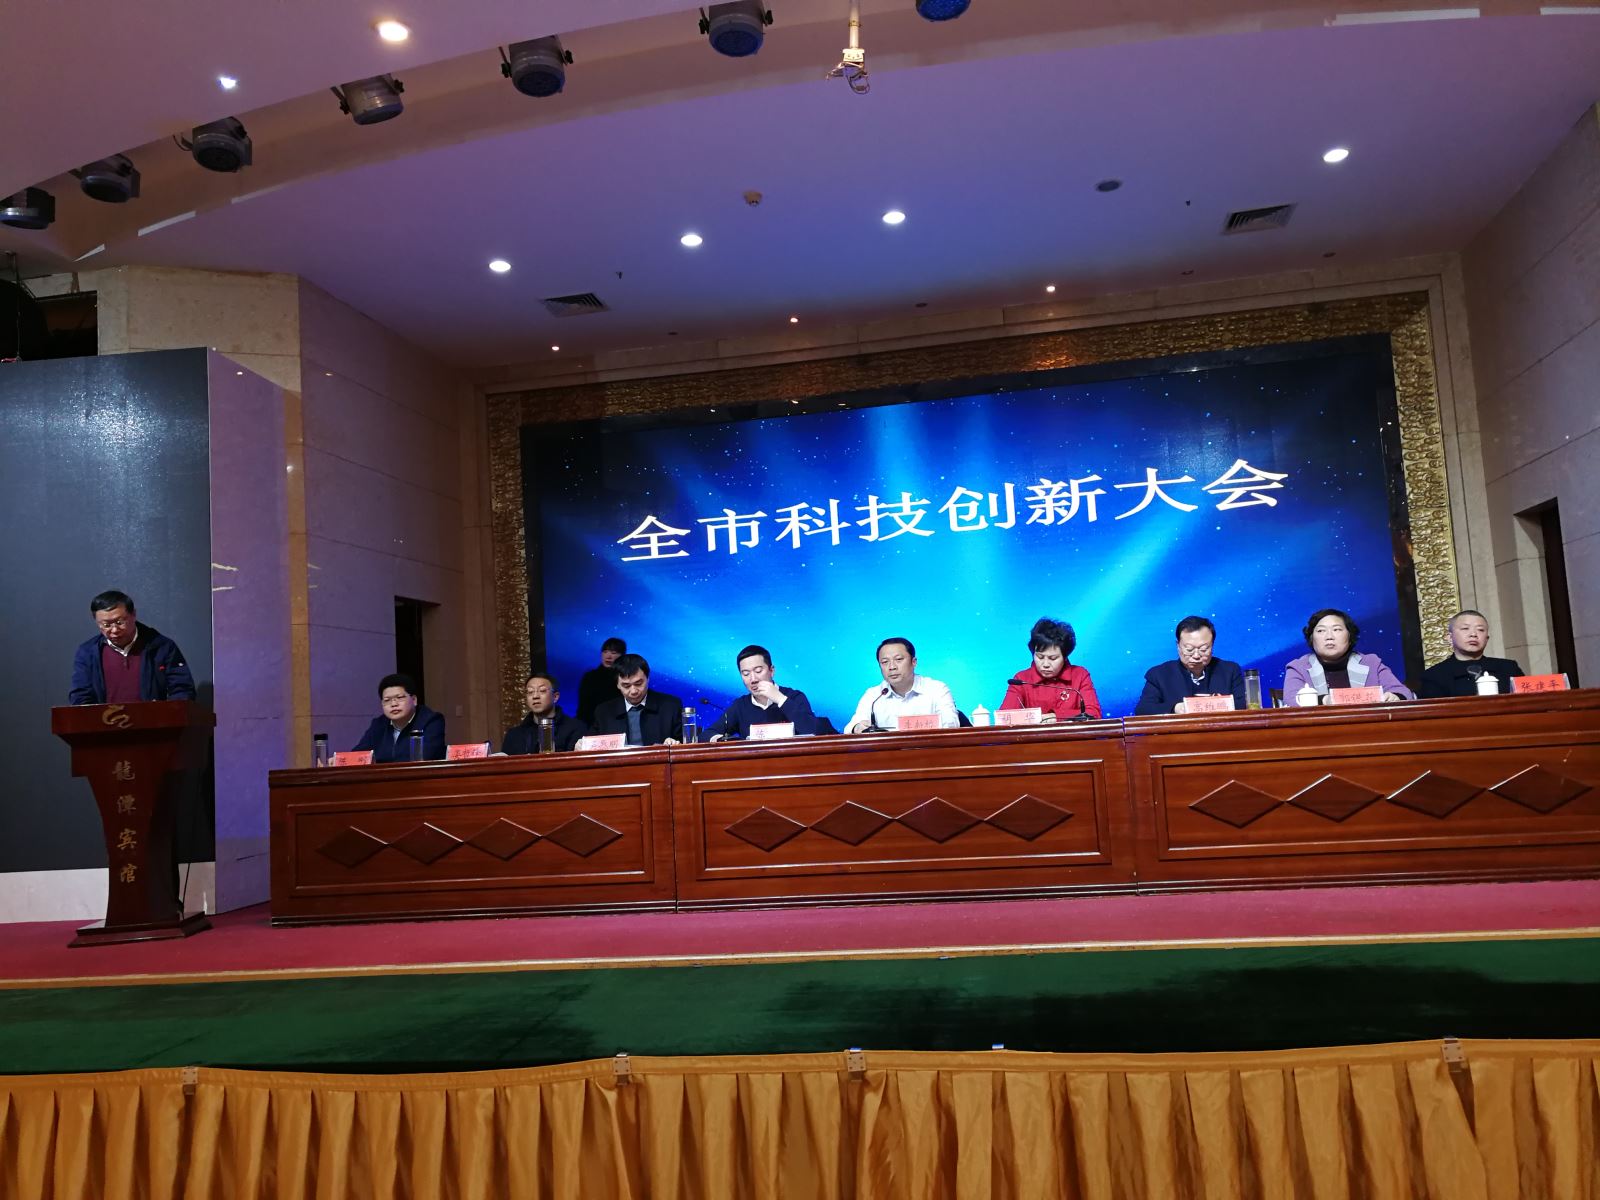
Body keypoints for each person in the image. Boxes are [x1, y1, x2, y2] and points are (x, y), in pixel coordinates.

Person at [69, 589, 197, 704]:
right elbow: (80, 696)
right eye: (106, 625)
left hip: (153, 721)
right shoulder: (88, 652)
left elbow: (182, 689)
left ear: (133, 615)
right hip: (105, 722)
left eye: (120, 622)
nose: (114, 630)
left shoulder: (161, 647)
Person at [1283, 608, 1413, 705]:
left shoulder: (1371, 663)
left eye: (1337, 629)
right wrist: (1325, 700)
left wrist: (1395, 696)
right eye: (1321, 631)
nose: (1329, 636)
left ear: (1350, 636)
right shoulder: (1298, 667)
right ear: (1312, 638)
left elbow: (1404, 692)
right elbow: (1291, 700)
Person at [1134, 616, 1248, 715]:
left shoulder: (1230, 671)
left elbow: (1245, 705)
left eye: (1203, 649)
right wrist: (1175, 708)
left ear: (1212, 645)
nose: (1196, 655)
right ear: (1178, 646)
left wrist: (1217, 704)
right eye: (1189, 649)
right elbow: (1143, 709)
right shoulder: (1159, 675)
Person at [845, 637, 959, 733]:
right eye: (885, 662)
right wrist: (857, 728)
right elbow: (851, 727)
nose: (892, 667)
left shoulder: (936, 689)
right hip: (888, 752)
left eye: (898, 659)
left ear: (914, 662)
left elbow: (952, 724)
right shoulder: (874, 695)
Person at [705, 645, 818, 740]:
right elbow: (707, 734)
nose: (753, 679)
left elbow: (815, 731)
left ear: (772, 671)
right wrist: (724, 740)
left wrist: (780, 699)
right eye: (746, 674)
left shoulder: (794, 697)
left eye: (758, 671)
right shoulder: (740, 706)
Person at [1000, 617, 1102, 720]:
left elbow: (1094, 713)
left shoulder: (1080, 675)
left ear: (1065, 656)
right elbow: (1004, 717)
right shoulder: (1020, 680)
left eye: (1053, 658)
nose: (1045, 664)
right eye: (1040, 657)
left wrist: (1055, 716)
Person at [1420, 610, 1525, 697]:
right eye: (1465, 628)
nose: (1473, 634)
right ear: (1450, 637)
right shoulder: (1434, 675)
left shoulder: (1509, 668)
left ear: (1487, 638)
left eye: (1480, 630)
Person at [591, 653, 684, 745]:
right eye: (626, 686)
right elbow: (591, 746)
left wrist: (674, 744)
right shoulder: (603, 712)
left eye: (638, 683)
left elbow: (685, 743)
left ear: (648, 678)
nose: (633, 691)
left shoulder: (671, 706)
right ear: (617, 685)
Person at [352, 673, 446, 762]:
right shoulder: (378, 724)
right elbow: (357, 756)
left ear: (414, 700)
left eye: (400, 698)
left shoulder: (431, 721)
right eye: (387, 700)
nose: (393, 704)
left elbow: (425, 756)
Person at [502, 672, 588, 753]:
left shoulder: (576, 729)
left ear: (555, 697)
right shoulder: (514, 735)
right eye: (530, 692)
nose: (535, 696)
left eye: (542, 690)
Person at [575, 637, 627, 727]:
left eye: (613, 653)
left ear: (622, 656)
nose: (608, 656)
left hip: (620, 725)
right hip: (593, 725)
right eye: (605, 652)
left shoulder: (626, 678)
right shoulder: (590, 677)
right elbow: (583, 708)